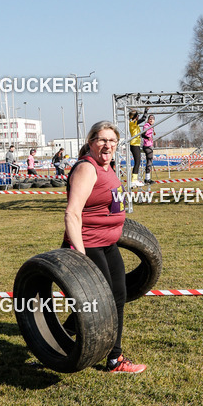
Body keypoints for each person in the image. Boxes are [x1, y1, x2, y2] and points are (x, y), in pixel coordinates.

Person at [63, 121, 145, 374]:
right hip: (88, 245)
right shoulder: (87, 168)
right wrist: (81, 254)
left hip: (108, 244)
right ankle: (113, 358)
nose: (107, 145)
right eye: (101, 140)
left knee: (117, 297)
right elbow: (72, 213)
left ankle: (64, 335)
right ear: (91, 142)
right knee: (101, 302)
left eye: (112, 140)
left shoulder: (107, 168)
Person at [128, 110, 145, 187]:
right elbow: (143, 119)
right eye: (138, 115)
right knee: (137, 162)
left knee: (138, 162)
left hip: (137, 144)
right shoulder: (132, 123)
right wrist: (146, 110)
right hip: (134, 145)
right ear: (136, 116)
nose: (138, 117)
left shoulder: (136, 125)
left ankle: (135, 179)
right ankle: (133, 180)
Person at [140, 114, 155, 185]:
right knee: (149, 161)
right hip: (147, 146)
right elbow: (142, 134)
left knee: (150, 161)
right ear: (148, 120)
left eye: (153, 119)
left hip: (150, 145)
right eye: (150, 119)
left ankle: (147, 178)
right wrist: (147, 138)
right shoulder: (146, 126)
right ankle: (147, 179)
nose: (151, 120)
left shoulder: (151, 126)